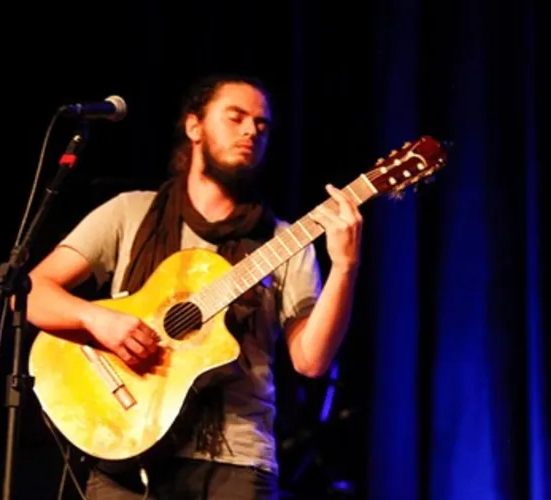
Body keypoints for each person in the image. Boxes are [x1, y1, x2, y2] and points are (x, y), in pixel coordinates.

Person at [22, 74, 363, 499]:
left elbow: (311, 361)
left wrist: (345, 266)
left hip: (235, 464)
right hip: (124, 457)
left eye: (261, 125)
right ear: (194, 127)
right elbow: (30, 292)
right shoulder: (130, 213)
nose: (251, 131)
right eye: (236, 117)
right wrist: (97, 319)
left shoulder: (283, 241)